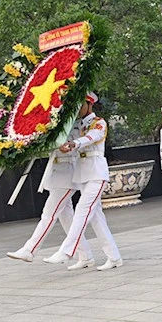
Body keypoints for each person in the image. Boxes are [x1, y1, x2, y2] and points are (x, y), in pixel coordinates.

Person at [44, 92, 123, 271]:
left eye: (80, 105)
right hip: (82, 174)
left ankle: (67, 250)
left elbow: (92, 137)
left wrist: (74, 144)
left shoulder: (99, 122)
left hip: (96, 172)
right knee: (97, 218)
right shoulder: (76, 124)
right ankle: (113, 257)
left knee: (82, 209)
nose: (78, 109)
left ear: (89, 104)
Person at [6, 127, 96, 270]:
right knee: (67, 220)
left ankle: (30, 249)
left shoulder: (74, 124)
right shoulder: (54, 124)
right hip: (56, 174)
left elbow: (76, 145)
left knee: (48, 214)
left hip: (67, 175)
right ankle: (85, 255)